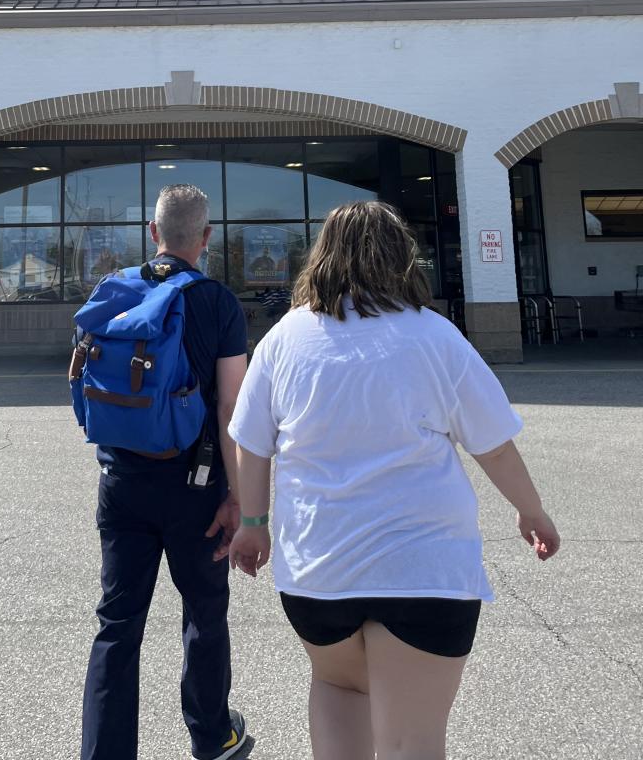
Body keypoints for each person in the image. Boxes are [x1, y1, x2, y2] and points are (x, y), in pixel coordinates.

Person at [227, 200, 560, 760]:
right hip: (423, 569)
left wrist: (254, 524)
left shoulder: (285, 338)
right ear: (401, 256)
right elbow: (494, 444)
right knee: (412, 742)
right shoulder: (434, 336)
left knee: (338, 687)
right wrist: (531, 510)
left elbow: (252, 443)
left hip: (318, 570)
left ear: (322, 256)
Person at [80, 184, 250, 760]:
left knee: (117, 622)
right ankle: (212, 735)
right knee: (204, 609)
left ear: (152, 233)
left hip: (121, 481)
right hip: (194, 488)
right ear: (206, 237)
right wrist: (239, 499)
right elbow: (231, 407)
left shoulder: (115, 290)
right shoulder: (217, 302)